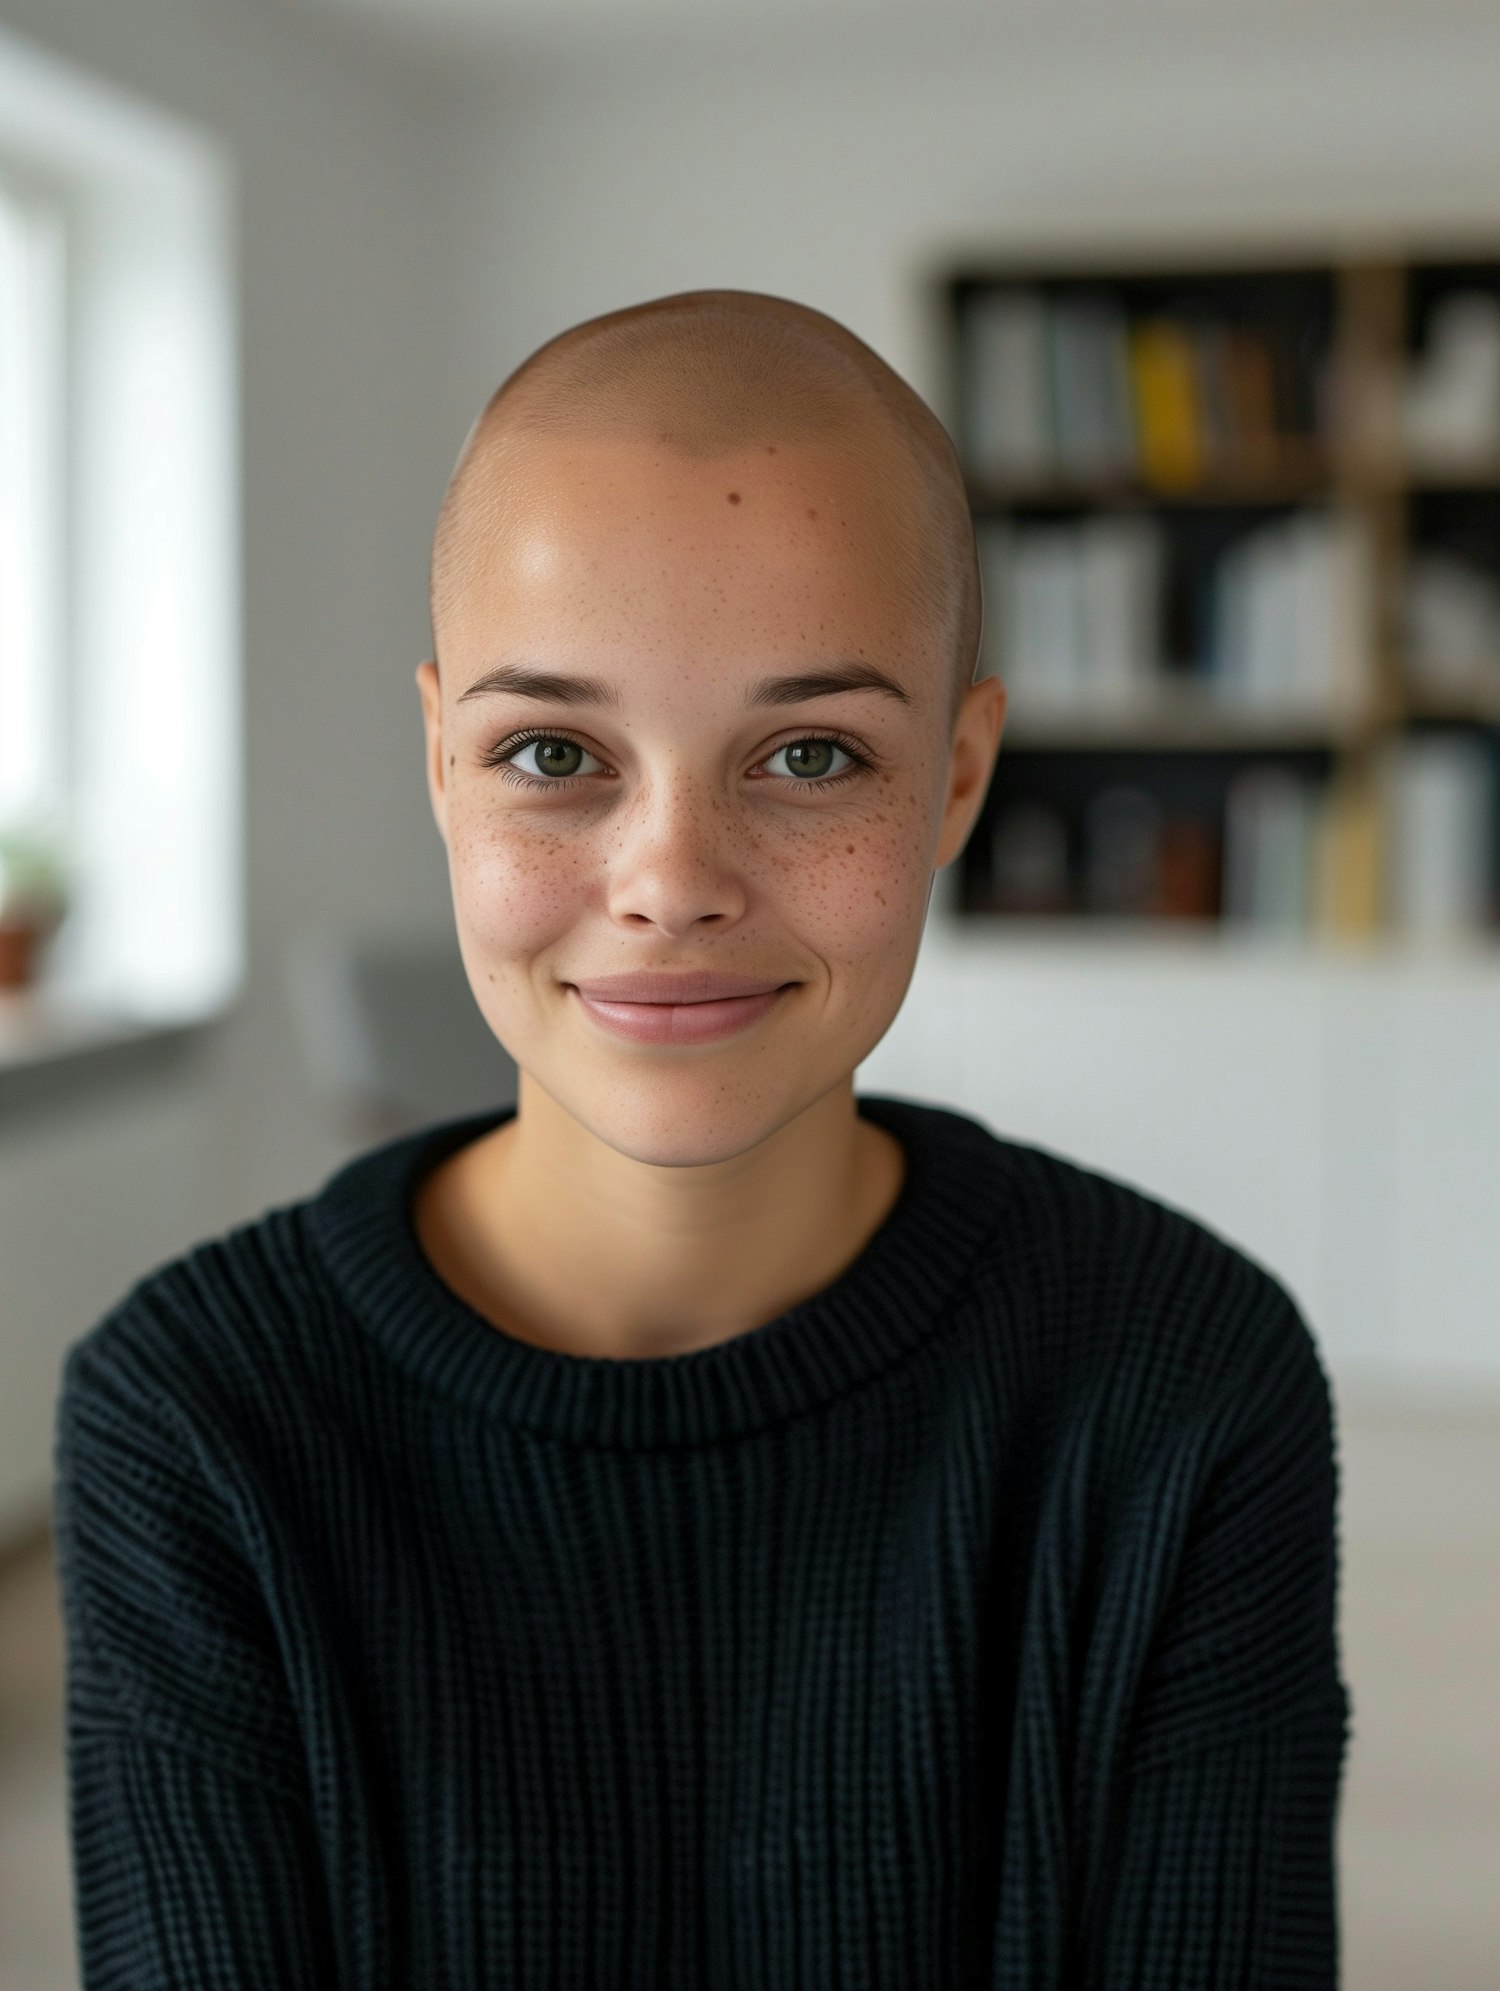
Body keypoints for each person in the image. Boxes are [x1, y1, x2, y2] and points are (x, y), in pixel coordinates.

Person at [53, 289, 1350, 1988]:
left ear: (958, 779)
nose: (671, 880)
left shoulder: (1185, 1385)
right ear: (443, 766)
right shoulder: (196, 1418)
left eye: (810, 753)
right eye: (552, 752)